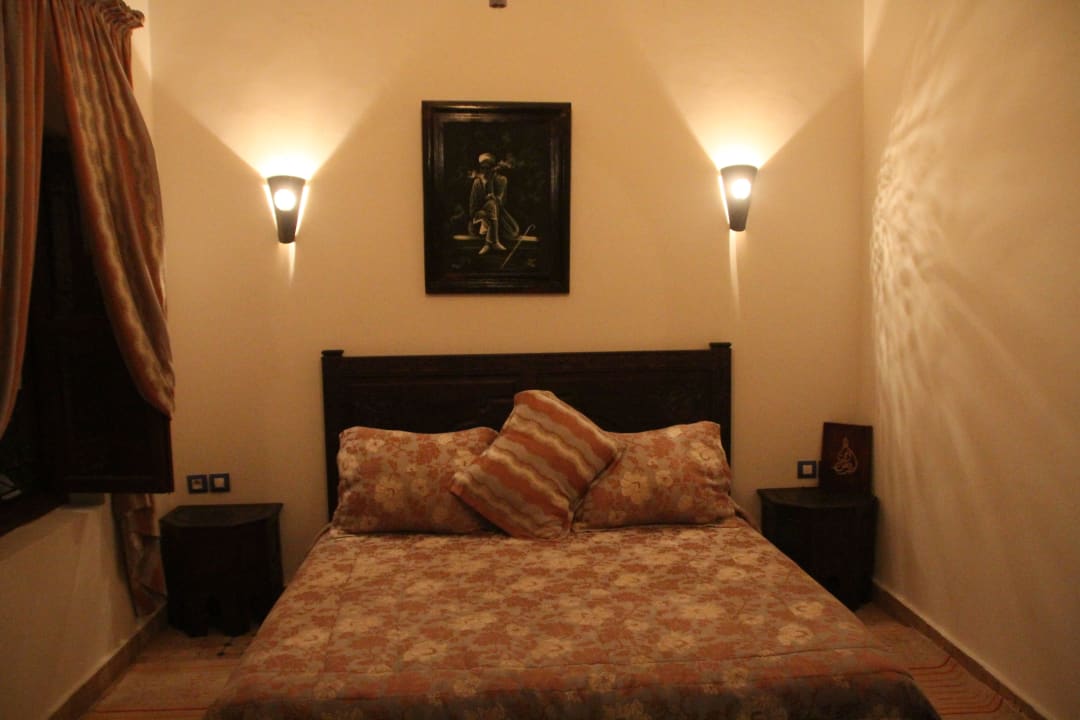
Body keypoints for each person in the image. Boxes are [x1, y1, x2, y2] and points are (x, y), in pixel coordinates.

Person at [468, 152, 519, 255]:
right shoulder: (477, 182)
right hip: (479, 221)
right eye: (482, 168)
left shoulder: (502, 180)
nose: (485, 171)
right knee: (491, 205)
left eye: (488, 168)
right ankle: (494, 242)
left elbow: (502, 203)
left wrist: (493, 194)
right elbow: (472, 208)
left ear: (493, 168)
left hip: (499, 218)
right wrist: (482, 214)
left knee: (492, 203)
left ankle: (488, 243)